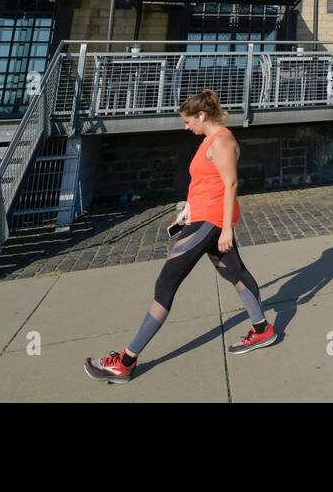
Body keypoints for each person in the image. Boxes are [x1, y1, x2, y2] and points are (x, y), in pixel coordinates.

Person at [86, 89, 278, 383]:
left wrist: (226, 228)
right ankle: (262, 329)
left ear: (202, 115)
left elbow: (231, 184)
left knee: (166, 283)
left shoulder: (223, 140)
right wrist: (187, 209)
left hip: (211, 221)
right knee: (235, 272)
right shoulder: (207, 141)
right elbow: (203, 182)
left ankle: (125, 362)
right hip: (201, 217)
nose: (187, 127)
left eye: (189, 122)